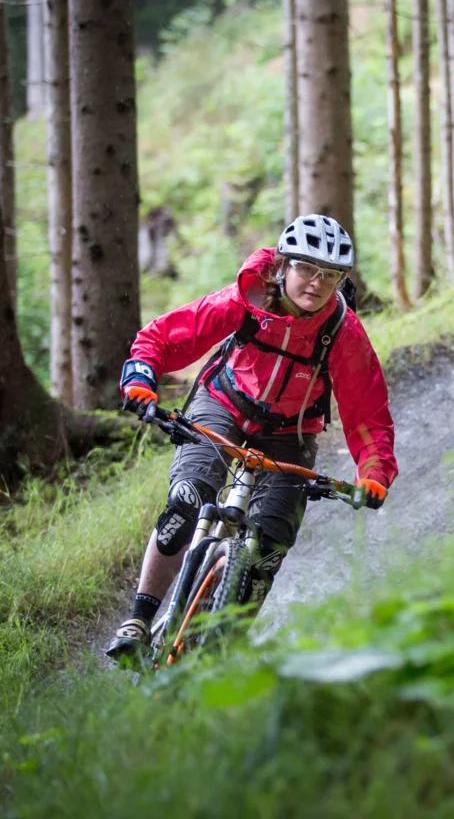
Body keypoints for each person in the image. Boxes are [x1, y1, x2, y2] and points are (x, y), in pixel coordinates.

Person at [106, 214, 397, 657]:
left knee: (269, 546)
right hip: (223, 405)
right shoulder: (247, 298)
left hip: (290, 432)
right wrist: (141, 377)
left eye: (331, 275)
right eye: (307, 268)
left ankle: (222, 649)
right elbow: (169, 335)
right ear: (283, 265)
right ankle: (138, 620)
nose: (317, 284)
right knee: (187, 499)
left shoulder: (343, 331)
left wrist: (374, 472)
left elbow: (368, 412)